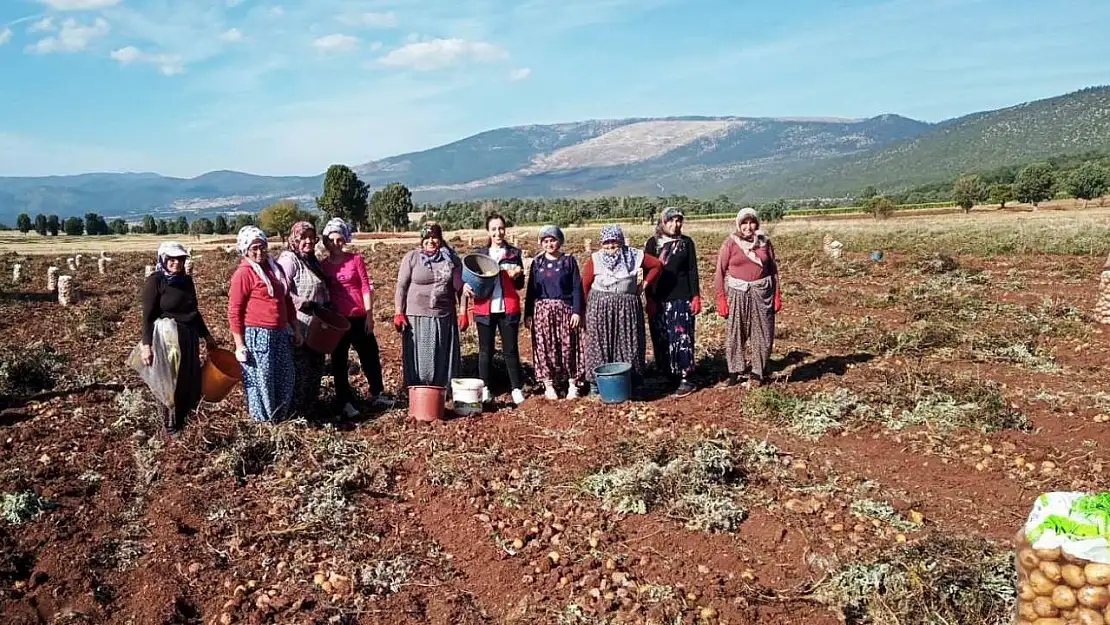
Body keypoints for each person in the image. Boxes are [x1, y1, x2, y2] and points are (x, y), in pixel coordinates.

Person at [140, 241, 216, 434]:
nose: (176, 263)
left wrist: (206, 336)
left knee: (189, 378)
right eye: (171, 259)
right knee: (169, 380)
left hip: (188, 337)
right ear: (163, 259)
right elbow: (147, 316)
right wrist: (146, 345)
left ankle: (186, 418)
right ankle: (170, 425)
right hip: (167, 339)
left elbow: (194, 312)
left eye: (180, 259)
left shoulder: (186, 281)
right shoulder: (155, 281)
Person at [227, 226, 302, 422]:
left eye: (262, 247)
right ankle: (264, 422)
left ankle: (280, 417)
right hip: (258, 336)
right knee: (262, 381)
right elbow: (234, 311)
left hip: (279, 333)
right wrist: (239, 344)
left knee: (284, 377)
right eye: (254, 249)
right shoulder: (243, 274)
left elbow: (286, 301)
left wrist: (295, 328)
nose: (259, 252)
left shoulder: (274, 269)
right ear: (245, 250)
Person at [320, 218, 388, 418]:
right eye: (331, 240)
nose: (336, 243)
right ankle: (345, 401)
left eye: (339, 239)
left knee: (370, 356)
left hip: (358, 316)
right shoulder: (324, 266)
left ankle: (376, 393)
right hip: (338, 322)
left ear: (345, 239)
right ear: (326, 241)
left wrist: (369, 315)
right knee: (339, 362)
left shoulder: (355, 260)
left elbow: (365, 286)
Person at [582, 224, 662, 390]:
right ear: (601, 243)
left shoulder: (633, 255)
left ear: (621, 240)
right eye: (606, 242)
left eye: (614, 242)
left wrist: (643, 285)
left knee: (628, 343)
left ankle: (631, 383)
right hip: (600, 308)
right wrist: (585, 309)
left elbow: (656, 265)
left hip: (627, 307)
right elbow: (585, 284)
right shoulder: (595, 259)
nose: (610, 246)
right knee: (599, 343)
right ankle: (596, 386)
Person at [714, 208, 782, 388]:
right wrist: (721, 298)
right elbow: (720, 272)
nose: (748, 227)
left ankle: (758, 371)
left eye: (752, 222)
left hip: (762, 292)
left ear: (757, 224)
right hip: (738, 293)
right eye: (744, 223)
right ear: (738, 224)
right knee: (736, 331)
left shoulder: (765, 242)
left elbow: (773, 270)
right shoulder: (730, 243)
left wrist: (777, 294)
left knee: (763, 332)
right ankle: (735, 371)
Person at [394, 222, 466, 389]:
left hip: (443, 316)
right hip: (416, 317)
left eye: (434, 237)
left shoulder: (451, 259)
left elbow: (461, 287)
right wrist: (398, 311)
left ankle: (442, 392)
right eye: (427, 237)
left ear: (440, 239)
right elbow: (401, 287)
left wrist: (464, 311)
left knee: (442, 355)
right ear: (421, 240)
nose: (431, 241)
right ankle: (418, 390)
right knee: (420, 358)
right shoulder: (412, 257)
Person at [464, 214, 526, 405]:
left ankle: (516, 388)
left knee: (511, 350)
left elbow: (520, 286)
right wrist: (465, 287)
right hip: (485, 309)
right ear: (488, 232)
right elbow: (468, 279)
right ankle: (486, 389)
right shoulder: (480, 255)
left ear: (505, 230)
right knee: (485, 351)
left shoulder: (514, 254)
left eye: (501, 228)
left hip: (508, 307)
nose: (498, 233)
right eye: (494, 229)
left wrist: (517, 275)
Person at [276, 221, 331, 419]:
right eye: (303, 237)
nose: (308, 241)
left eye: (311, 236)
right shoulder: (290, 260)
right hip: (298, 325)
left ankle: (310, 410)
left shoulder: (312, 260)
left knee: (315, 368)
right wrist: (302, 302)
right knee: (299, 370)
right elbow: (282, 291)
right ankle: (296, 415)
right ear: (295, 238)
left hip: (316, 326)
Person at [644, 207, 701, 398]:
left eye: (678, 221)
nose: (675, 225)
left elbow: (692, 271)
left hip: (680, 298)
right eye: (671, 221)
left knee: (681, 338)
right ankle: (669, 375)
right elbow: (646, 273)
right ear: (663, 221)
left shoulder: (686, 243)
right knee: (662, 338)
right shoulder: (653, 244)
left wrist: (695, 296)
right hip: (659, 298)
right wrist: (649, 299)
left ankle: (686, 378)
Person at [524, 224, 585, 400]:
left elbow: (576, 288)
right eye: (546, 241)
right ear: (541, 243)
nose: (549, 244)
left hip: (565, 311)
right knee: (545, 348)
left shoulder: (568, 261)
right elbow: (531, 291)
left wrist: (576, 311)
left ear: (559, 241)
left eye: (553, 240)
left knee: (568, 347)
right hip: (543, 312)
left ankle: (573, 383)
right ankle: (548, 384)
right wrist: (528, 315)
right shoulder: (537, 263)